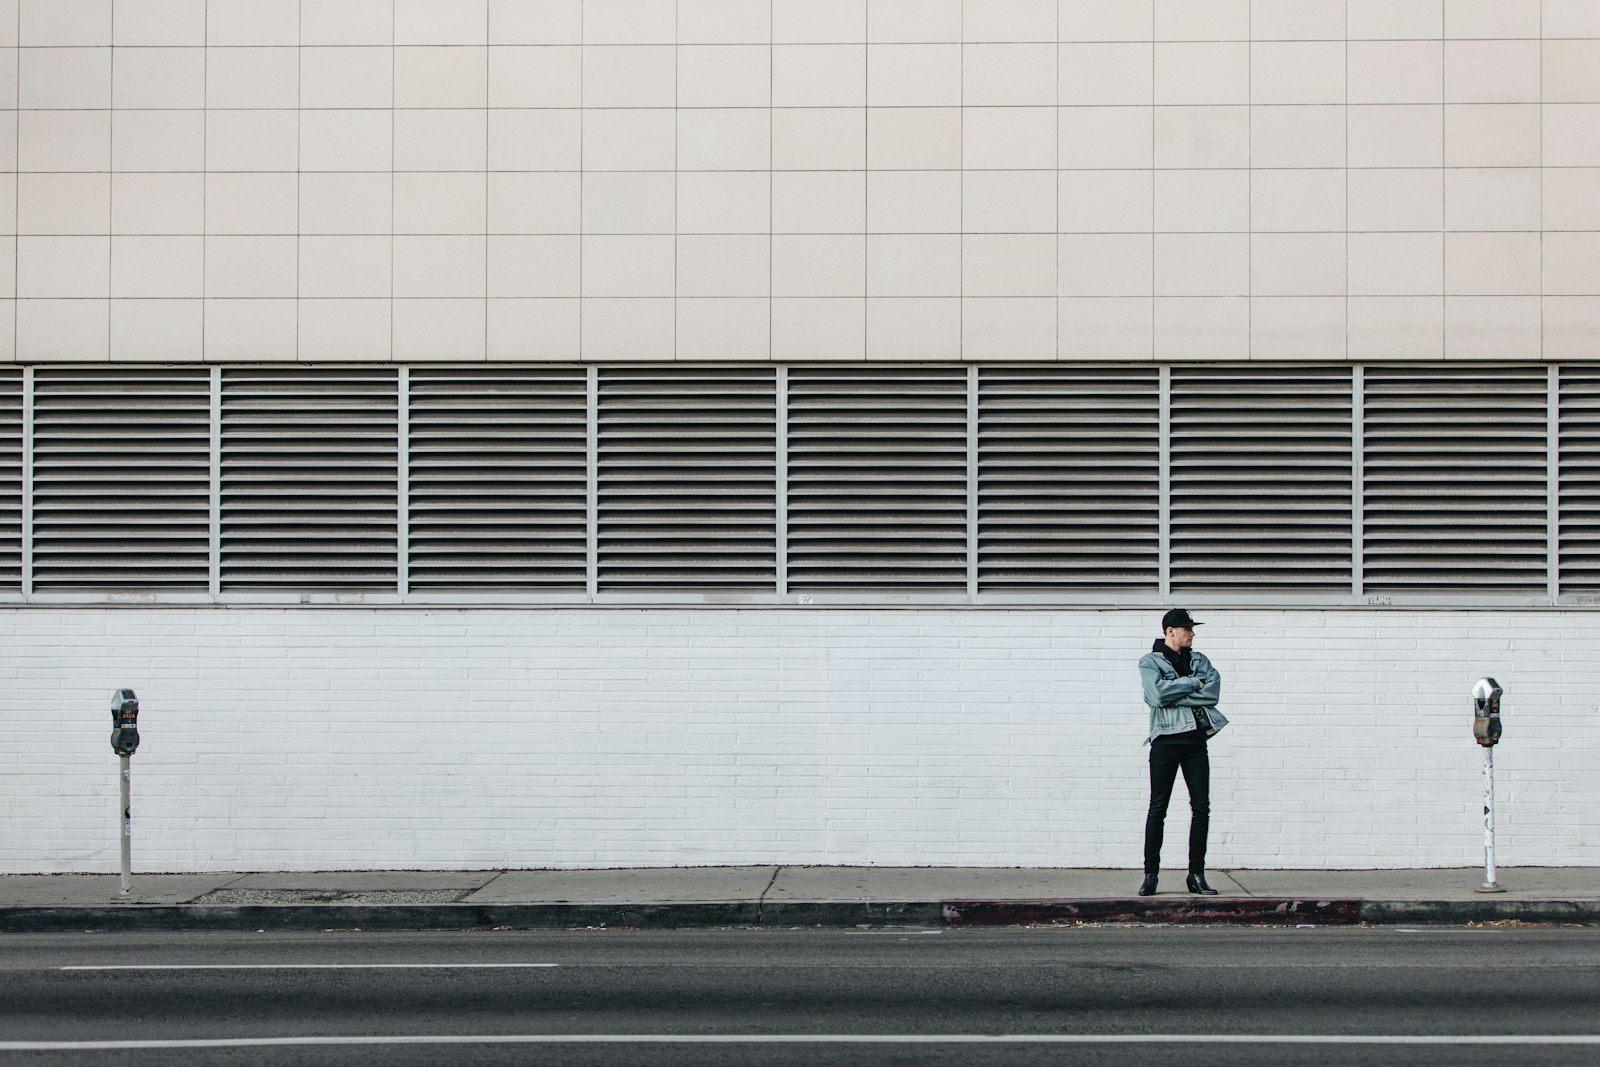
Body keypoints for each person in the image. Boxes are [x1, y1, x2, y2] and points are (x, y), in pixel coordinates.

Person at [1137, 608, 1228, 896]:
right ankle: (1151, 875)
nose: (1192, 633)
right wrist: (1191, 683)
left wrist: (1174, 689)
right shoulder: (1149, 661)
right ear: (1170, 631)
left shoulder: (1201, 660)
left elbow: (1212, 694)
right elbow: (1156, 695)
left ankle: (1196, 875)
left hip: (1195, 743)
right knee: (1158, 808)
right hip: (1164, 741)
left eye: (1192, 628)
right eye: (1186, 628)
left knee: (1202, 809)